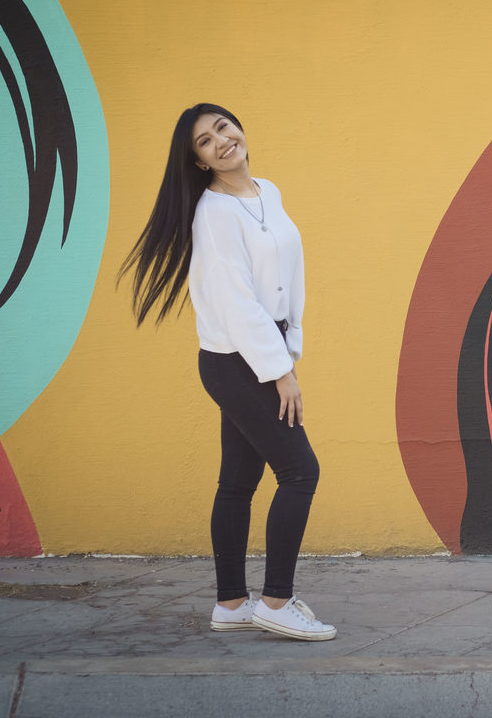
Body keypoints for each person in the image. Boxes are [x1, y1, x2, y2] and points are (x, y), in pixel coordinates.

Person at [120, 103, 335, 640]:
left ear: (238, 128)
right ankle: (276, 602)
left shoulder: (267, 190)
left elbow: (290, 277)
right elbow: (238, 304)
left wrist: (293, 344)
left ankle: (232, 605)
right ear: (198, 162)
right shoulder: (213, 215)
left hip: (262, 353)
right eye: (204, 141)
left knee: (238, 484)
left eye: (223, 127)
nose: (221, 141)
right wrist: (280, 371)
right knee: (301, 472)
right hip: (237, 363)